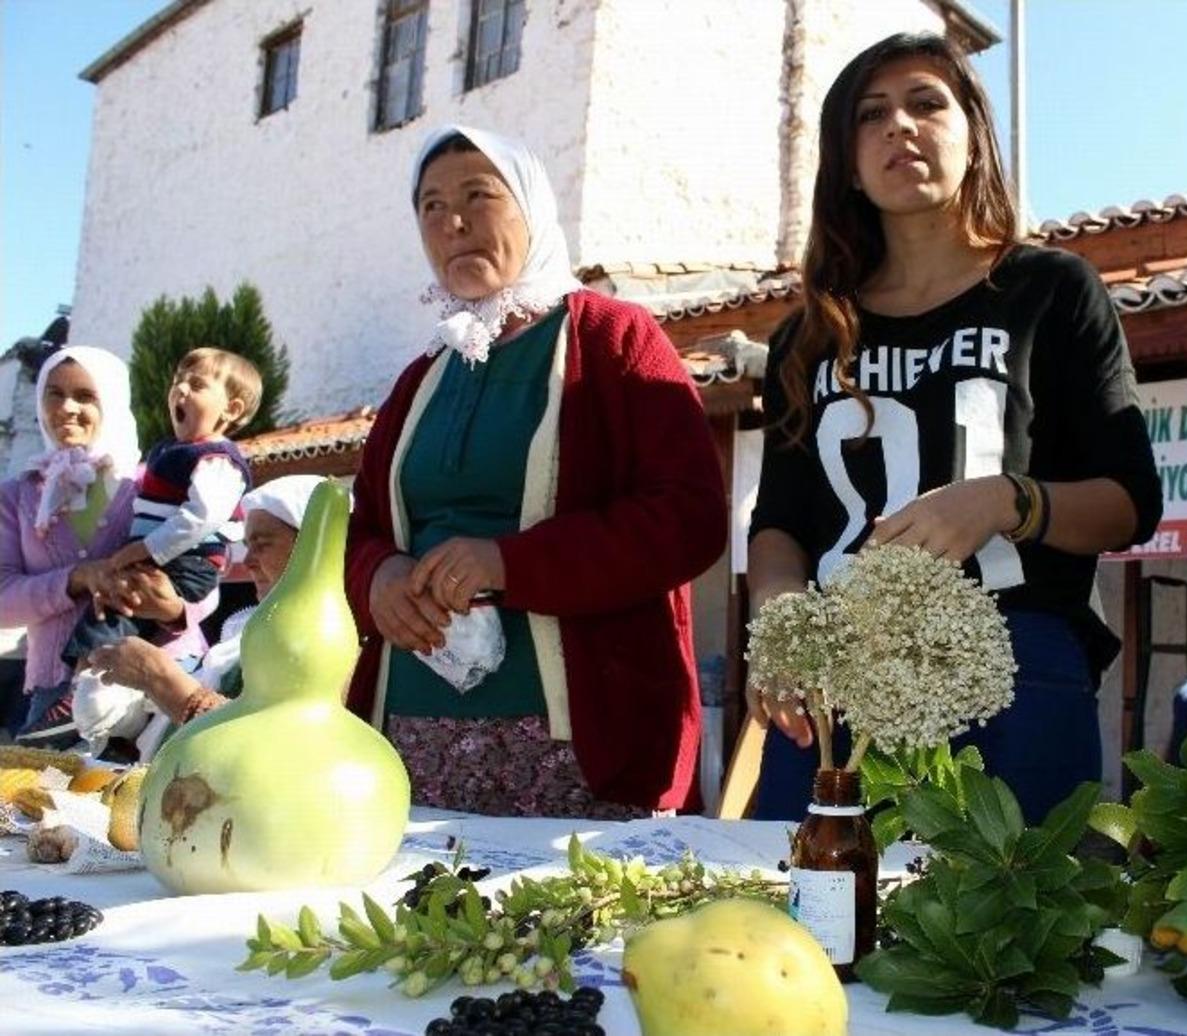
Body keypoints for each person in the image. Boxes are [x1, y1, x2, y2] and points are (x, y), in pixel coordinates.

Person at [746, 33, 1162, 825]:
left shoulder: (1052, 290)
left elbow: (1129, 500)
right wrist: (779, 615)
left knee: (1008, 936)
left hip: (1016, 665)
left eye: (926, 102)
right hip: (839, 672)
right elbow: (780, 524)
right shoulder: (807, 337)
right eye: (871, 115)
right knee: (805, 931)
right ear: (847, 160)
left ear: (974, 132)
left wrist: (1006, 502)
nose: (899, 125)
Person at [345, 124, 726, 818]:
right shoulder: (420, 379)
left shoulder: (613, 339)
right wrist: (379, 577)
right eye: (429, 206)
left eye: (478, 196)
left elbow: (689, 517)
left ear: (533, 209)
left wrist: (509, 563)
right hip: (413, 734)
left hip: (575, 747)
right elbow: (363, 527)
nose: (452, 223)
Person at [0, 347, 208, 746]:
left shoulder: (153, 481)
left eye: (85, 395)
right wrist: (77, 578)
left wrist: (175, 607)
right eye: (54, 394)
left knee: (138, 802)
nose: (67, 408)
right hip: (56, 695)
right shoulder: (17, 496)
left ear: (111, 402)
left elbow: (204, 573)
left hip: (156, 683)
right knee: (46, 802)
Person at [60, 347, 258, 672]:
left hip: (185, 564)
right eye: (178, 381)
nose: (180, 389)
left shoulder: (218, 459)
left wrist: (145, 550)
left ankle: (87, 682)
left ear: (231, 409)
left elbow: (202, 518)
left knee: (118, 608)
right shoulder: (170, 451)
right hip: (163, 558)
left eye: (196, 385)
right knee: (111, 606)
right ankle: (87, 680)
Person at [85, 475, 326, 729]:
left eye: (262, 545)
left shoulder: (327, 640)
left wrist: (157, 676)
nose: (248, 561)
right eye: (247, 546)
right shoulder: (245, 629)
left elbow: (270, 743)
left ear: (312, 547)